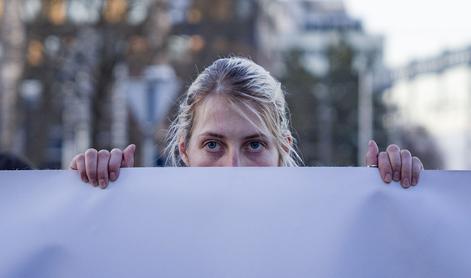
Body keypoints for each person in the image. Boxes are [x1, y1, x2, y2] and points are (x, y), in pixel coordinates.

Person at [70, 57, 423, 189]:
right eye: (212, 145)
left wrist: (386, 203)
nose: (233, 167)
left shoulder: (326, 231)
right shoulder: (141, 228)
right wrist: (98, 196)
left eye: (254, 144)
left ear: (282, 150)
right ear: (184, 150)